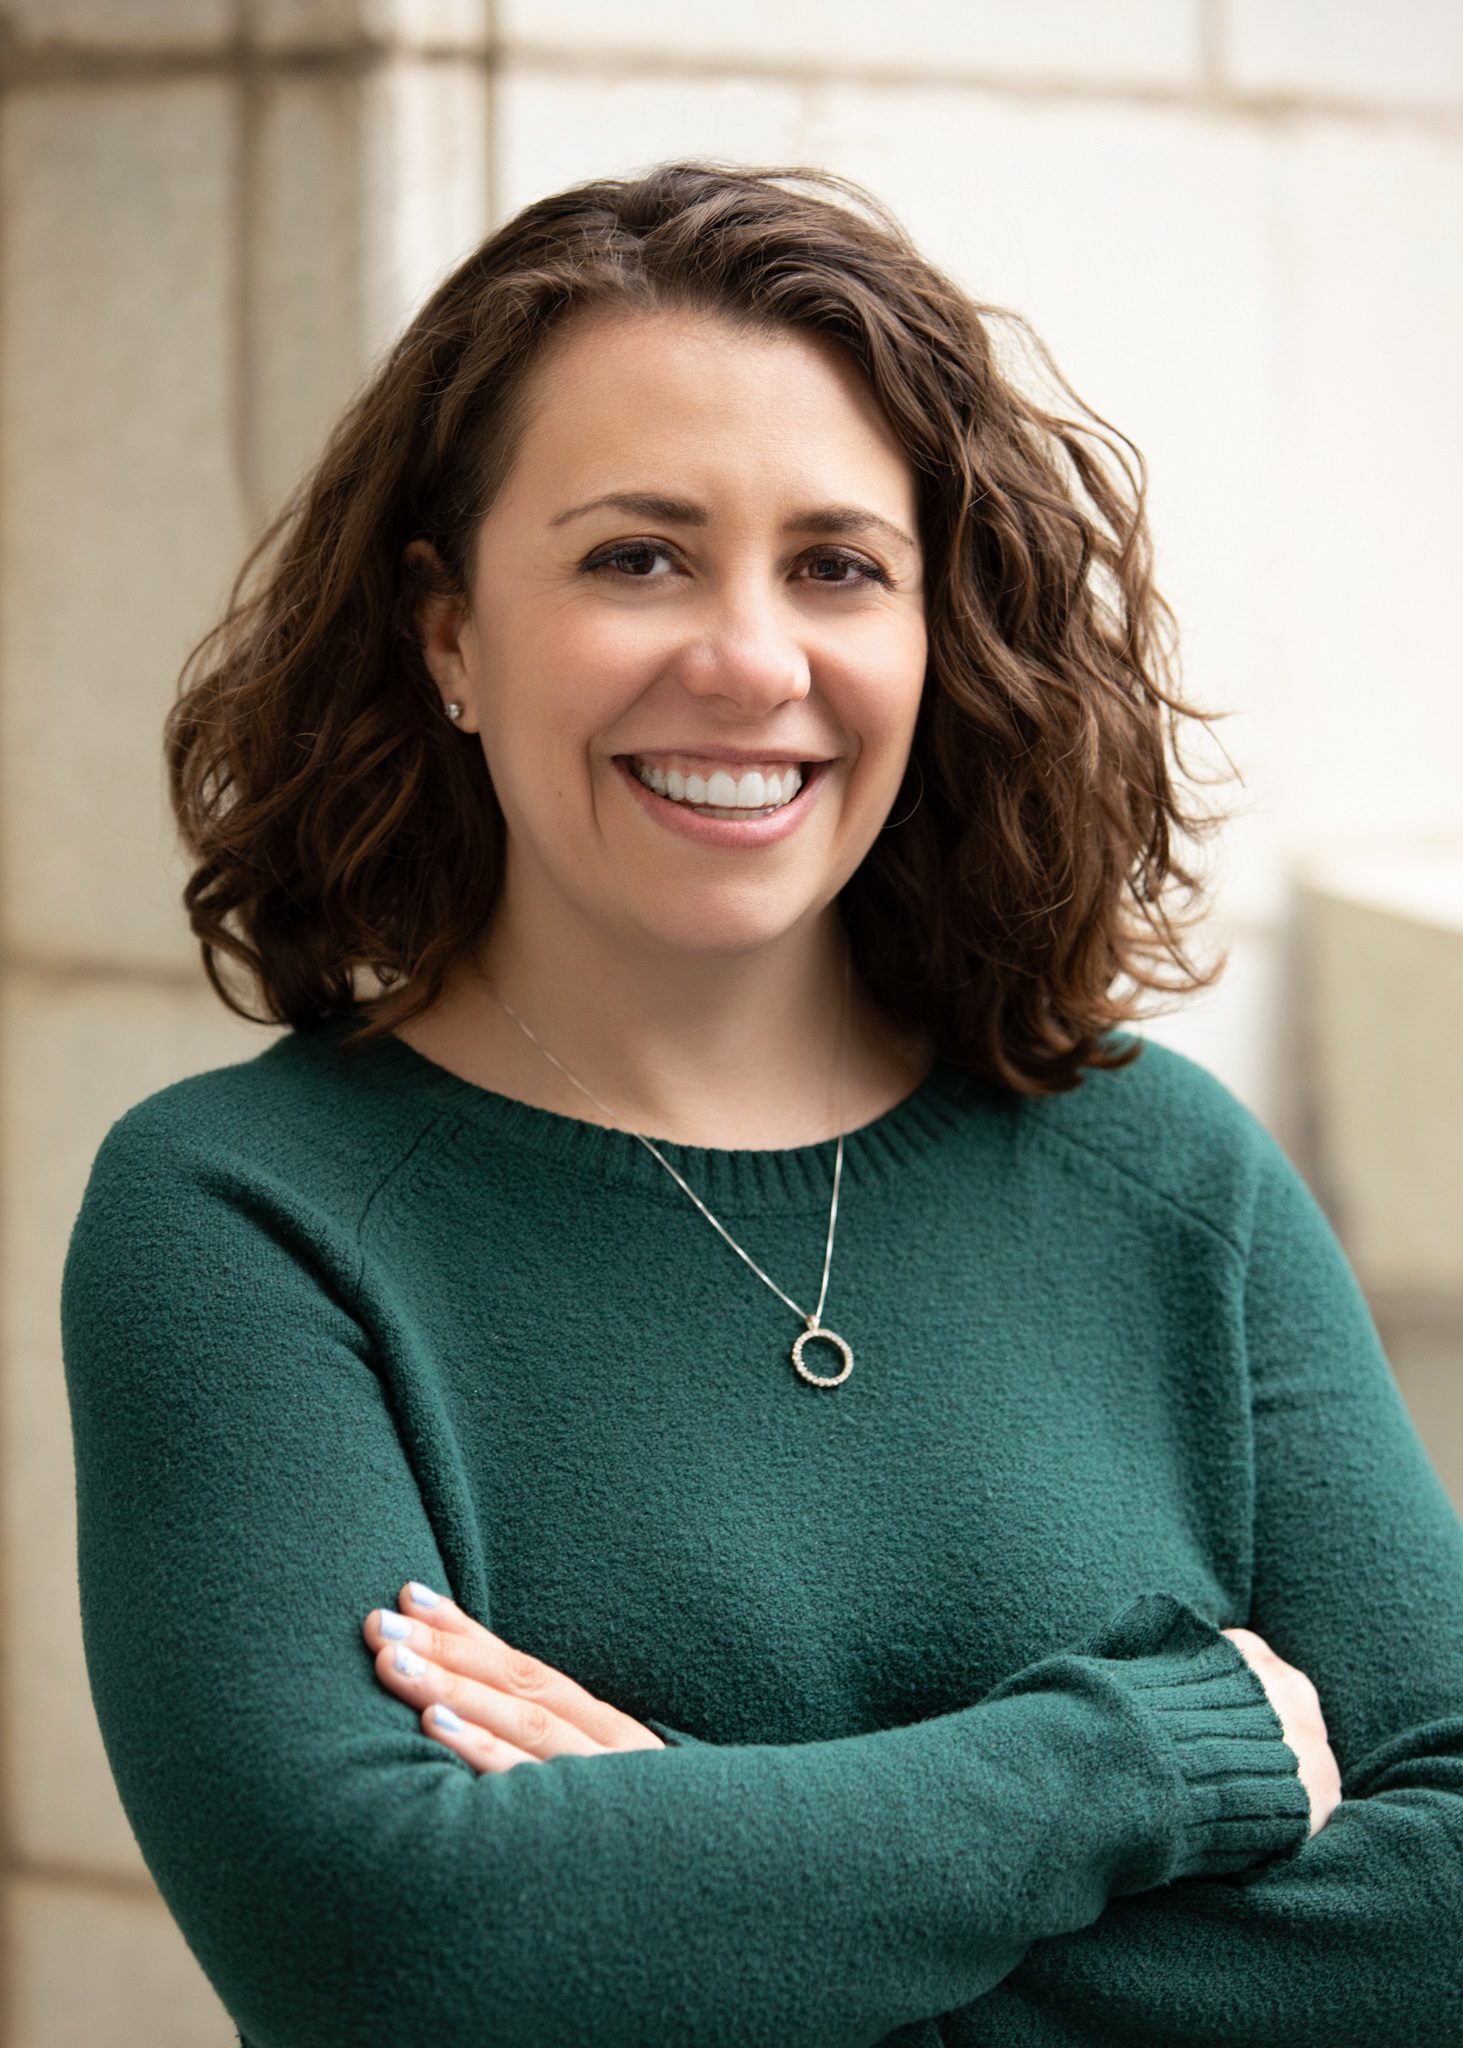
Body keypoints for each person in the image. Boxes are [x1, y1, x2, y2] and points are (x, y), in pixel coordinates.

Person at [60, 161, 1463, 2048]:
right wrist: (1146, 1758)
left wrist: (695, 1888)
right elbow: (398, 1956)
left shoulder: (1166, 1175)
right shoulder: (245, 1217)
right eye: (635, 555)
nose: (749, 660)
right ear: (450, 632)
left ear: (933, 628)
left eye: (837, 565)